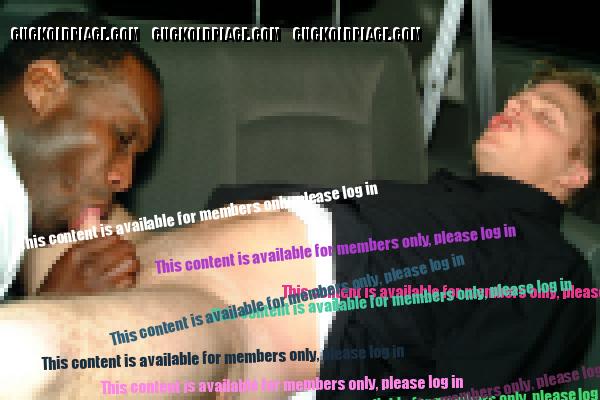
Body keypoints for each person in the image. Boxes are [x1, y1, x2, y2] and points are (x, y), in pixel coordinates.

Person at [2, 11, 597, 398]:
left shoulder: (554, 267)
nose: (514, 108)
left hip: (229, 318)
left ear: (576, 172)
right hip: (132, 248)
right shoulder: (447, 197)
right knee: (50, 186)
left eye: (544, 116)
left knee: (34, 358)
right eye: (518, 100)